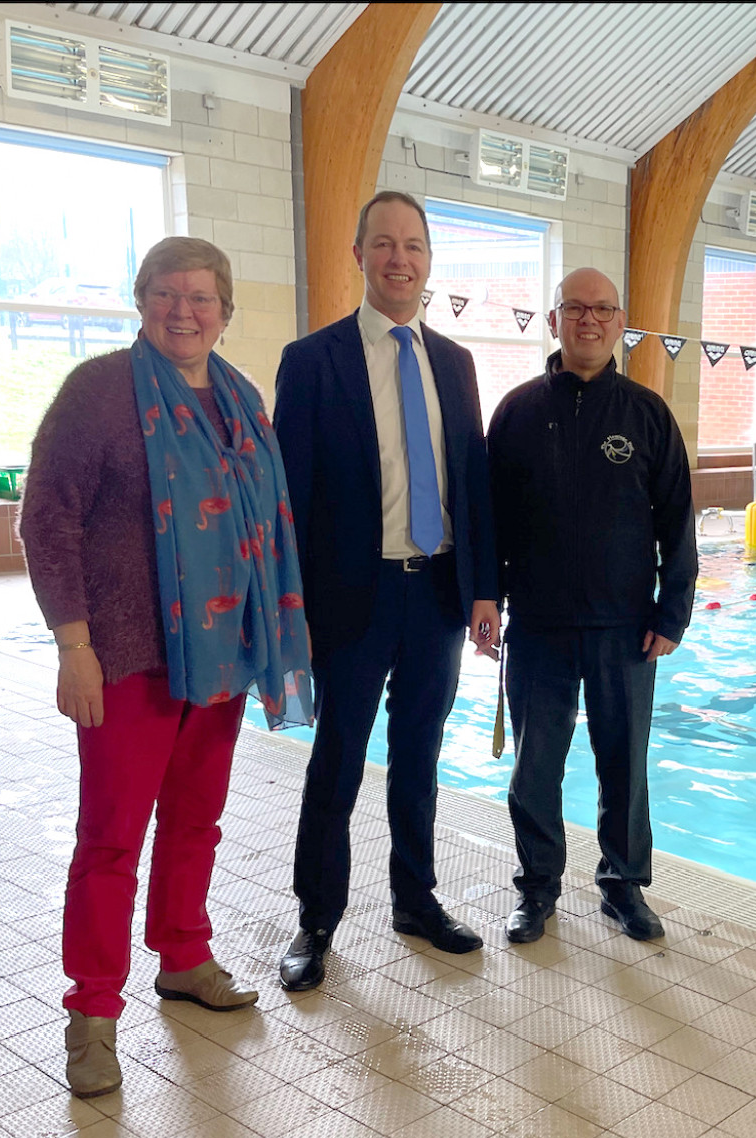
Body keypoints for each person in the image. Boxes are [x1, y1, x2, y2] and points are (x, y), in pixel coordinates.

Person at [19, 237, 311, 1098]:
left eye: (201, 298)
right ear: (139, 299)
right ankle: (93, 1012)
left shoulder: (239, 395)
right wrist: (74, 646)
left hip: (218, 652)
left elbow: (261, 518)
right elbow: (47, 521)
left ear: (225, 311)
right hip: (128, 658)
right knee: (110, 840)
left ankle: (183, 954)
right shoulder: (100, 392)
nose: (183, 311)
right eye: (166, 295)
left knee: (195, 820)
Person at [274, 190, 500, 991]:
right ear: (360, 254)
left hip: (436, 591)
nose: (399, 258)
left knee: (420, 757)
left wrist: (484, 591)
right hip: (351, 594)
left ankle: (416, 899)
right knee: (338, 758)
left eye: (413, 245)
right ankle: (316, 920)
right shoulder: (313, 361)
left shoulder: (455, 362)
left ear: (429, 258)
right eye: (383, 244)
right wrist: (289, 607)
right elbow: (290, 497)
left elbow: (471, 481)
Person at [487, 267, 697, 945]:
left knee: (624, 764)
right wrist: (485, 597)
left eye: (602, 309)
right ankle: (537, 889)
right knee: (535, 768)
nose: (589, 320)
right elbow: (490, 520)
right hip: (540, 625)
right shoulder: (517, 411)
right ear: (554, 320)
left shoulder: (646, 414)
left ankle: (624, 885)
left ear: (619, 321)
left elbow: (678, 521)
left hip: (625, 626)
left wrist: (673, 613)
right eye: (575, 308)